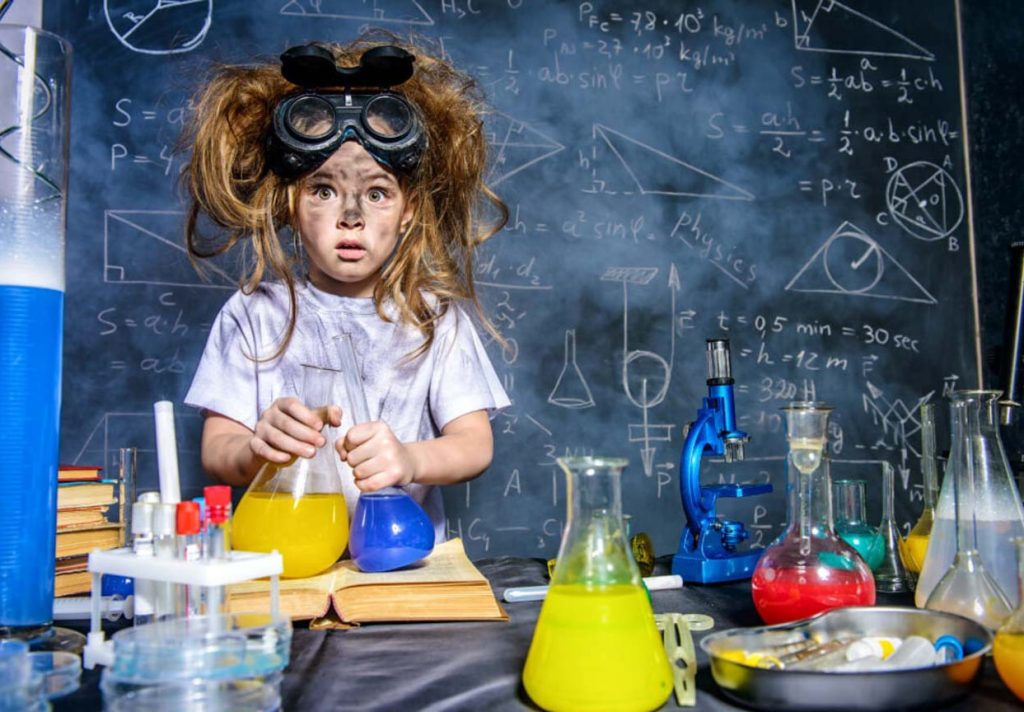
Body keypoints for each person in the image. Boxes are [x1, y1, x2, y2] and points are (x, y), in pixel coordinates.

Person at [181, 32, 510, 543]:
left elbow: (474, 444)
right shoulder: (253, 313)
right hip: (286, 567)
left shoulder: (434, 319)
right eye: (324, 190)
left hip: (399, 567)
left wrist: (408, 458)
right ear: (290, 203)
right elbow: (218, 448)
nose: (350, 217)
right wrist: (256, 447)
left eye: (377, 192)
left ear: (409, 211)